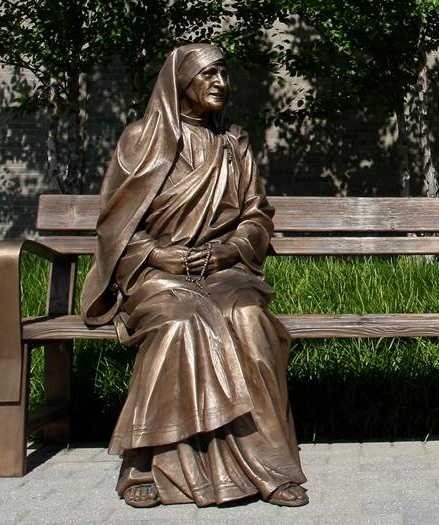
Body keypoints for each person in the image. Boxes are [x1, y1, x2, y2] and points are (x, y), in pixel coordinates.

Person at [78, 43, 308, 509]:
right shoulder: (139, 140)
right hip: (156, 275)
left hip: (225, 272)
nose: (221, 82)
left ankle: (271, 465)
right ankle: (144, 462)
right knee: (182, 322)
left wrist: (230, 250)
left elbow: (256, 213)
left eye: (224, 73)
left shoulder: (234, 143)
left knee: (249, 320)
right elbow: (115, 226)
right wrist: (158, 256)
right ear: (180, 81)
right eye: (209, 74)